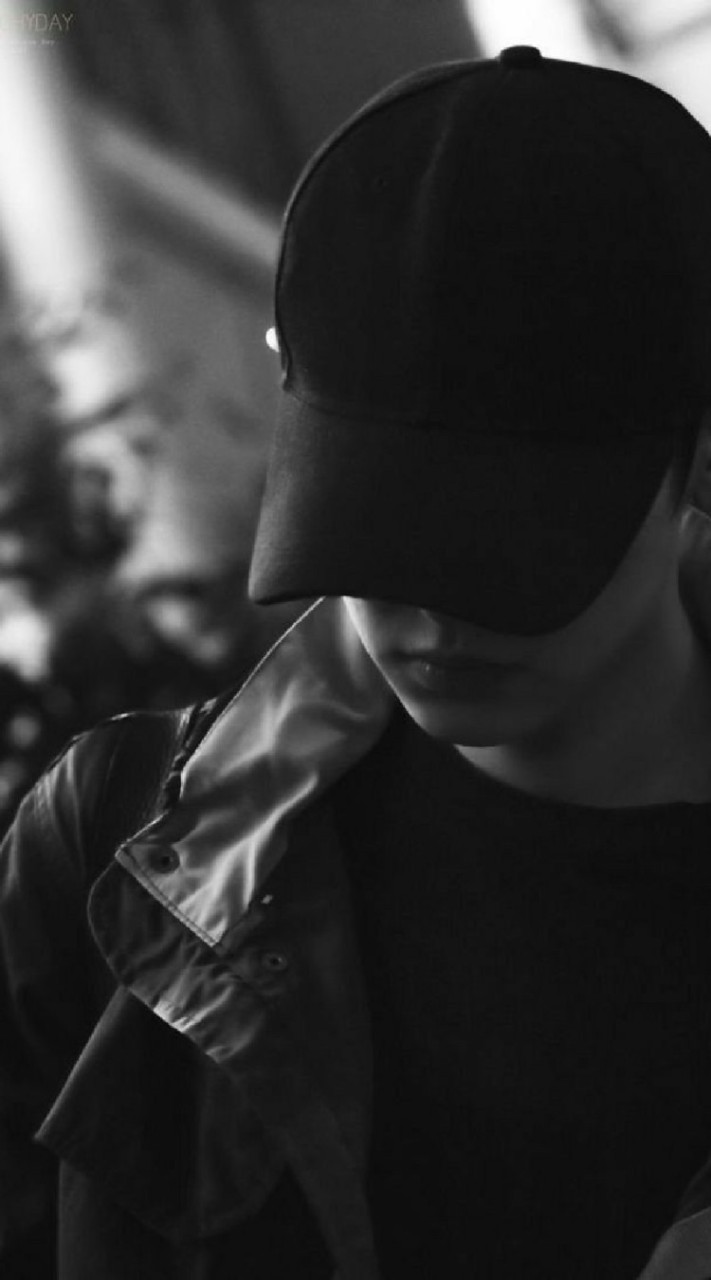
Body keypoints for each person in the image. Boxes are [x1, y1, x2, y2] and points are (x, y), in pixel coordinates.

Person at [3, 45, 711, 1280]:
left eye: (506, 549)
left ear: (696, 456)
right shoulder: (115, 847)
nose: (430, 619)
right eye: (376, 526)